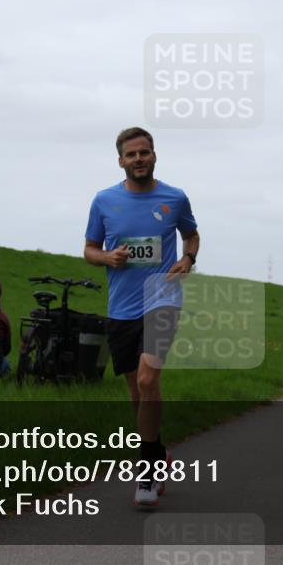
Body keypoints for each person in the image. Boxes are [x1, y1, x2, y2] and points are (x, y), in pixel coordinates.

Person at [84, 127, 199, 506]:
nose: (138, 159)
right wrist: (108, 257)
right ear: (120, 160)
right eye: (131, 154)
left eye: (144, 152)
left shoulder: (174, 197)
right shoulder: (104, 201)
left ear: (154, 156)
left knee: (149, 380)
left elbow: (191, 235)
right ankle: (159, 452)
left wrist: (188, 259)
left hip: (163, 298)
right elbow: (89, 249)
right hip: (122, 308)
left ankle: (146, 473)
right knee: (137, 392)